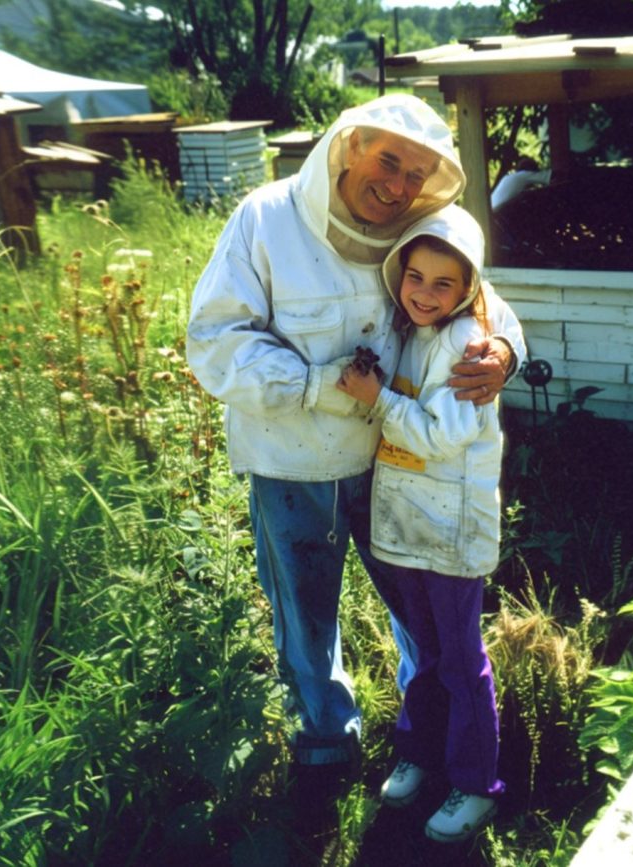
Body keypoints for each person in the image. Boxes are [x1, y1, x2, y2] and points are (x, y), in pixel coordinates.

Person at [186, 94, 526, 785]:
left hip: (393, 465)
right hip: (291, 463)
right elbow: (215, 340)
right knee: (307, 615)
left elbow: (483, 302)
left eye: (416, 172)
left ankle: (424, 731)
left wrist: (506, 355)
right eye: (389, 160)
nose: (399, 185)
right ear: (349, 146)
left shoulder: (420, 226)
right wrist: (317, 385)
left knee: (417, 613)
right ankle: (324, 744)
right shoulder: (266, 218)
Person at [337, 204, 519, 843]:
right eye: (415, 276)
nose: (425, 292)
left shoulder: (471, 348)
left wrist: (377, 399)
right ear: (399, 273)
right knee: (424, 650)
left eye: (443, 283)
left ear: (468, 287)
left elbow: (442, 437)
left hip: (452, 531)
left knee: (460, 658)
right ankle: (422, 753)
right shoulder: (407, 330)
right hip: (407, 524)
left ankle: (476, 784)